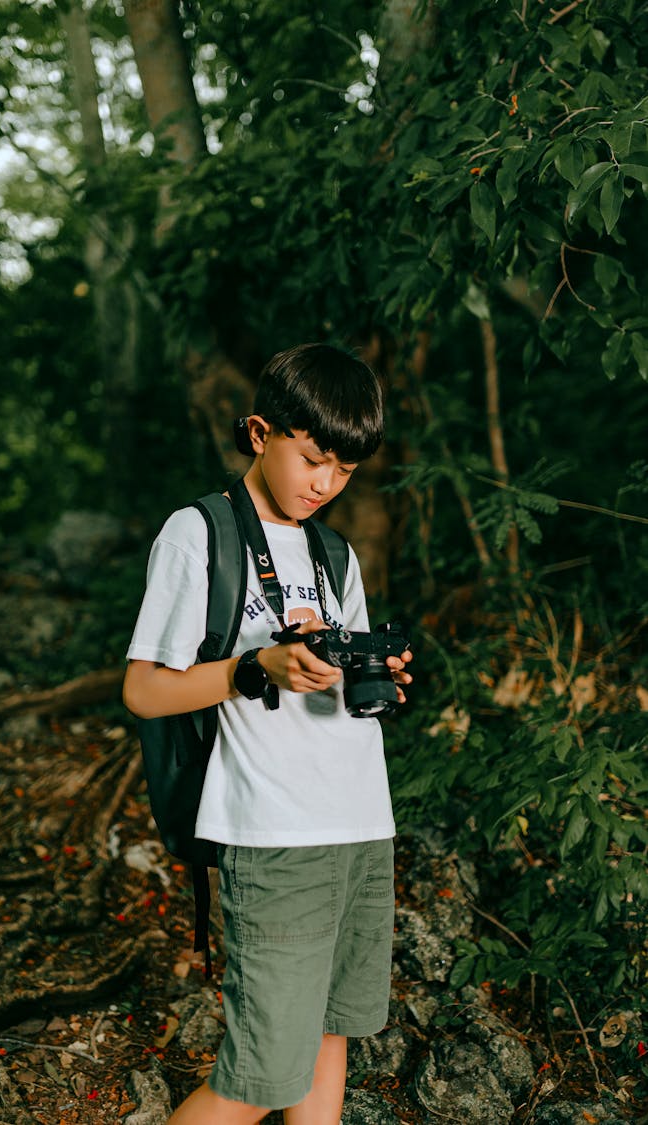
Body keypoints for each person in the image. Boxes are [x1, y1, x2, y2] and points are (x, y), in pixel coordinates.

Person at [123, 342, 413, 1125]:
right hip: (274, 833)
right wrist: (256, 667)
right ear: (260, 432)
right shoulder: (199, 534)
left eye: (344, 471)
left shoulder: (333, 551)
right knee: (258, 1075)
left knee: (331, 1033)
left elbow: (332, 681)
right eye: (313, 458)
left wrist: (370, 672)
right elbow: (144, 689)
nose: (325, 484)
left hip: (360, 823)